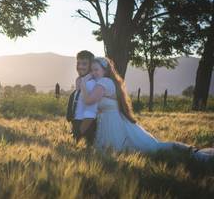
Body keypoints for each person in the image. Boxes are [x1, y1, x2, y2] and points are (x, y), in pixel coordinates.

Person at [79, 57, 214, 161]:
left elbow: (89, 100)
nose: (93, 73)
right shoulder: (108, 82)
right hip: (112, 121)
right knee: (139, 149)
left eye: (96, 69)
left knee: (144, 149)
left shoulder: (104, 82)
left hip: (113, 123)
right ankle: (190, 151)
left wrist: (83, 84)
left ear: (105, 70)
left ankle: (191, 152)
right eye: (92, 70)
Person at [66, 50, 97, 145]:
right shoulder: (81, 81)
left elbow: (91, 112)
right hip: (77, 122)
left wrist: (79, 133)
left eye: (84, 64)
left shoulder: (92, 84)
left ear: (91, 66)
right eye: (78, 63)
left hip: (85, 125)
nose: (80, 66)